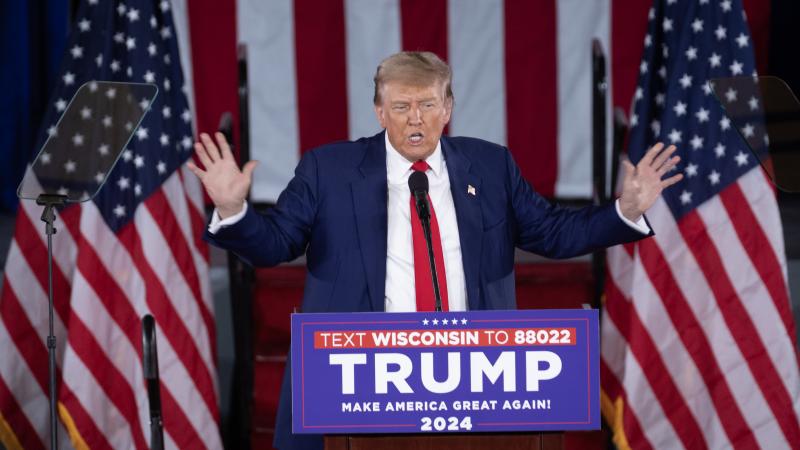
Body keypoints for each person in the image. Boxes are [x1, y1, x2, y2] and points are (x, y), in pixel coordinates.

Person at [188, 51, 682, 450]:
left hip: (474, 380)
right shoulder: (329, 170)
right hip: (359, 380)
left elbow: (552, 232)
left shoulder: (490, 167)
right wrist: (234, 209)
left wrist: (623, 210)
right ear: (380, 112)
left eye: (427, 105)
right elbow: (276, 245)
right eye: (401, 107)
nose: (415, 119)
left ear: (448, 108)